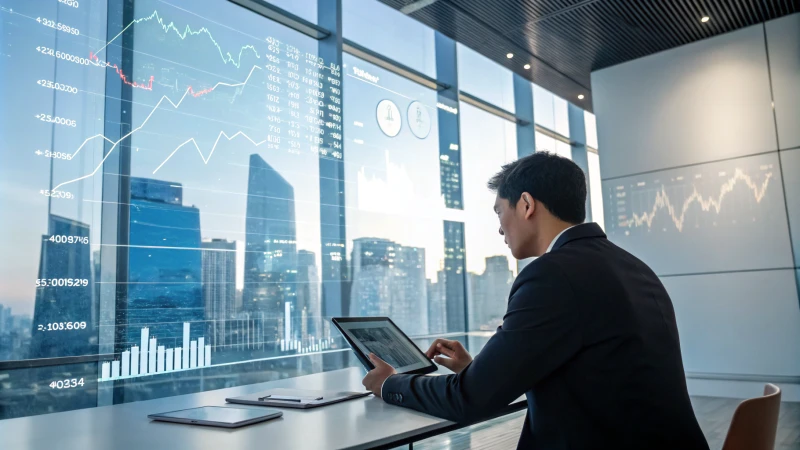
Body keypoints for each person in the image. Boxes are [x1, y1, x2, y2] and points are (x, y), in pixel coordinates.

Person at [362, 152, 709, 449]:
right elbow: (592, 374)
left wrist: (389, 383)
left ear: (526, 205)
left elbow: (469, 401)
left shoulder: (552, 275)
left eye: (499, 212)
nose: (499, 228)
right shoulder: (632, 266)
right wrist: (476, 371)